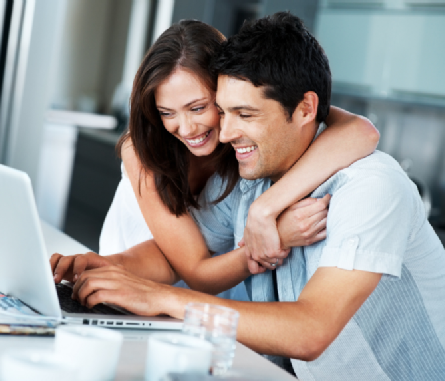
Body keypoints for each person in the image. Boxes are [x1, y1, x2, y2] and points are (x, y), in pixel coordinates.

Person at [67, 12, 445, 380]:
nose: (227, 133)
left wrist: (160, 299)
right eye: (224, 112)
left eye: (245, 115)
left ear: (305, 109)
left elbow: (310, 329)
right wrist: (95, 269)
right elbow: (178, 257)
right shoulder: (251, 179)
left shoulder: (370, 188)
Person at [51, 20, 379, 297]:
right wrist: (98, 266)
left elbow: (361, 131)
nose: (186, 127)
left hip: (211, 288)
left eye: (198, 108)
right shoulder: (145, 151)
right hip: (139, 269)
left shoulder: (249, 146)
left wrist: (264, 211)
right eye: (167, 113)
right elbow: (185, 265)